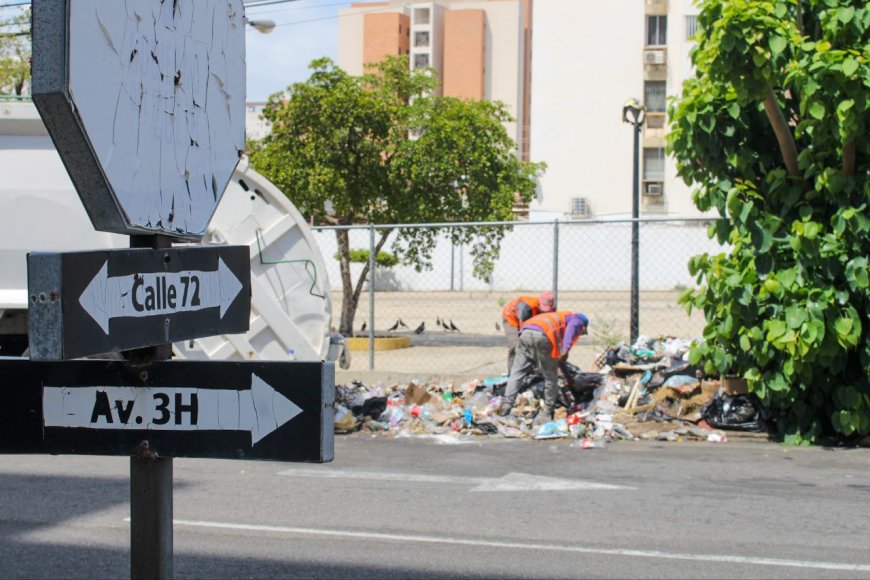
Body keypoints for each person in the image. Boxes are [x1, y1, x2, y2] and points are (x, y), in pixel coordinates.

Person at [499, 310, 589, 423]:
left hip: (525, 333)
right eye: (581, 332)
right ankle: (547, 412)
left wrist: (568, 377)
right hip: (543, 335)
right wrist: (566, 349)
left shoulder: (558, 317)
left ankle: (506, 405)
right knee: (550, 376)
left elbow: (559, 361)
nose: (579, 335)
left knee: (517, 372)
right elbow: (574, 326)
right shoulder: (576, 320)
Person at [501, 292, 555, 374]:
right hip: (511, 318)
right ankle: (512, 374)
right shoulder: (526, 307)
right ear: (539, 302)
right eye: (543, 308)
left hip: (529, 320)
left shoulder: (551, 309)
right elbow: (524, 331)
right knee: (516, 345)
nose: (545, 311)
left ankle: (534, 371)